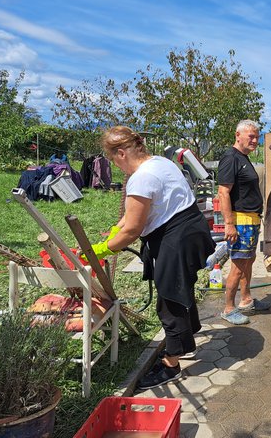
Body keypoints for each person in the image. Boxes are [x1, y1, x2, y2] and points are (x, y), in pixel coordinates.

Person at [87, 126, 215, 389]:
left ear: (121, 153)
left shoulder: (141, 178)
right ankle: (186, 338)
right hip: (190, 229)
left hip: (176, 237)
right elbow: (133, 215)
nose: (115, 165)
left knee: (170, 298)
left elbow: (134, 229)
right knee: (182, 287)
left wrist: (104, 248)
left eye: (113, 159)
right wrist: (116, 229)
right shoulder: (160, 163)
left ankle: (172, 362)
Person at [217, 120, 271, 325]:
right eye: (251, 136)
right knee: (238, 266)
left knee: (248, 261)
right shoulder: (230, 158)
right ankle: (229, 308)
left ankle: (246, 300)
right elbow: (223, 192)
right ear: (238, 135)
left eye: (258, 137)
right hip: (240, 222)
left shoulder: (243, 158)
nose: (256, 140)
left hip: (251, 220)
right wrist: (229, 224)